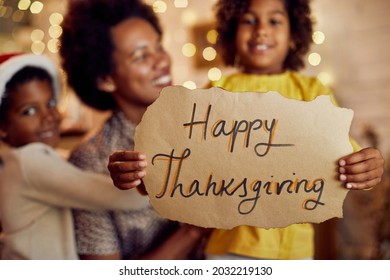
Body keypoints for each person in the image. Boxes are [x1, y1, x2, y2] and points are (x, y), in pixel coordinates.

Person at [107, 0, 385, 260]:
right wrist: (141, 175)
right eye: (249, 21)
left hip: (295, 253)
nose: (261, 30)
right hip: (227, 249)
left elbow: (342, 155)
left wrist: (365, 166)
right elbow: (181, 164)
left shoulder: (313, 92)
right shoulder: (216, 93)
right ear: (231, 32)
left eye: (274, 21)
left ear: (293, 36)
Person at [59, 0, 208, 260]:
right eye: (141, 56)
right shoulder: (91, 160)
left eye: (158, 47)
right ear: (105, 79)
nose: (161, 61)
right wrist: (193, 232)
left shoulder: (202, 124)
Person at [0, 53, 148, 260]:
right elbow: (119, 197)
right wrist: (171, 182)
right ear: (3, 128)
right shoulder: (27, 162)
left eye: (51, 103)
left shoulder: (19, 164)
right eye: (29, 111)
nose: (48, 116)